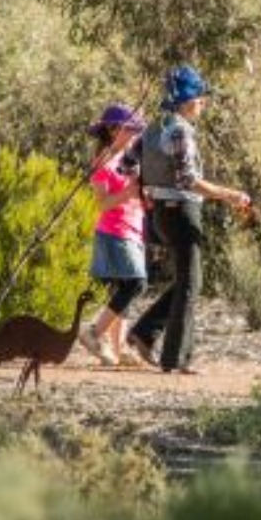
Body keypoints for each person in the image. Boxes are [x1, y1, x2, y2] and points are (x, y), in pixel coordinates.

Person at [119, 65, 249, 374]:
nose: (203, 105)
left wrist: (147, 190)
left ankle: (144, 334)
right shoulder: (180, 130)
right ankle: (176, 360)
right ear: (189, 101)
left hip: (160, 214)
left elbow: (126, 165)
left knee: (187, 282)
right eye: (202, 99)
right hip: (181, 212)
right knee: (191, 284)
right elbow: (188, 179)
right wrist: (230, 195)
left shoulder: (152, 128)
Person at [78, 103, 149, 366]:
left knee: (124, 289)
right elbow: (102, 203)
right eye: (131, 129)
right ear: (112, 129)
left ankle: (119, 348)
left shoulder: (131, 157)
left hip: (134, 228)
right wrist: (129, 192)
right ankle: (93, 332)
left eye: (137, 130)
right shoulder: (103, 161)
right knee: (135, 284)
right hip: (114, 231)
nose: (135, 134)